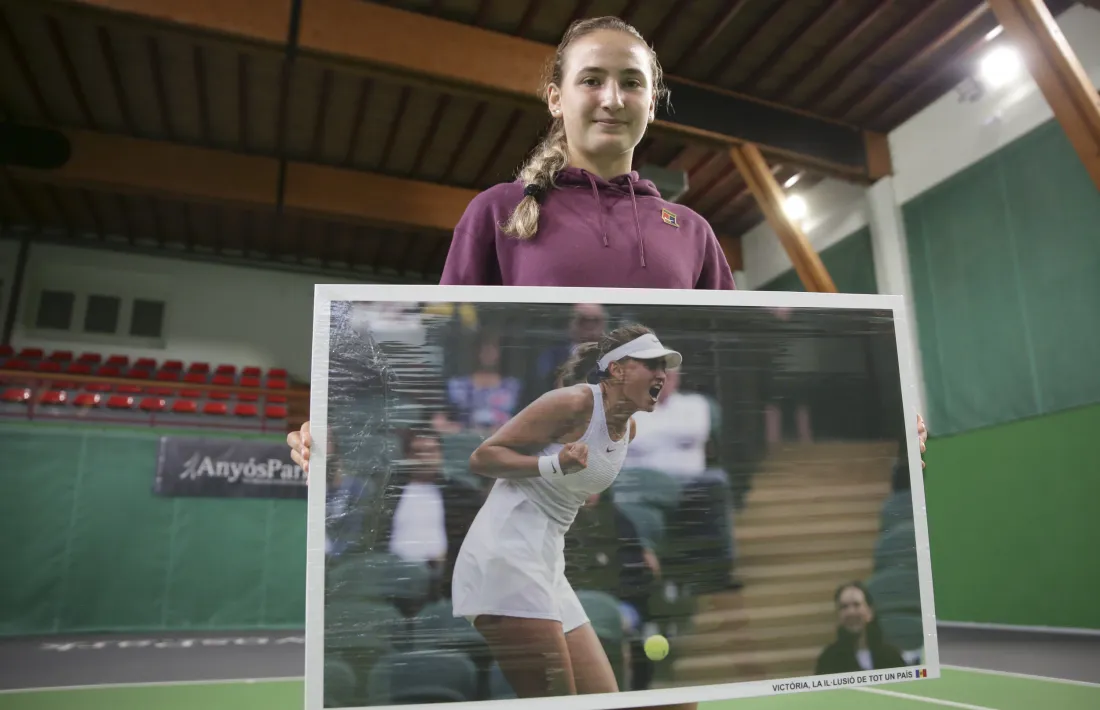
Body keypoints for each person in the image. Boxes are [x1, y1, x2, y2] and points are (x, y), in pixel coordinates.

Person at [288, 14, 930, 707]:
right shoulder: (498, 213)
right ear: (556, 97)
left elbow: (750, 342)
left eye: (632, 83)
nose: (612, 97)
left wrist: (895, 408)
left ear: (651, 103)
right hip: (508, 551)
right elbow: (437, 368)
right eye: (591, 79)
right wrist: (332, 433)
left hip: (550, 556)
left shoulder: (694, 232)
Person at [450, 324, 678, 696]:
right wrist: (553, 465)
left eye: (664, 367)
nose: (661, 374)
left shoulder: (629, 430)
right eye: (651, 364)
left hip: (546, 563)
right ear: (617, 370)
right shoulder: (573, 403)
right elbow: (482, 459)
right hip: (504, 557)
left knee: (605, 699)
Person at [815, 581, 907, 675]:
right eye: (844, 607)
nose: (851, 612)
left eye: (856, 605)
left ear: (870, 612)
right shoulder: (828, 660)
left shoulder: (891, 656)